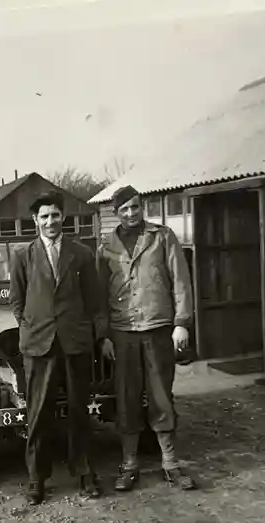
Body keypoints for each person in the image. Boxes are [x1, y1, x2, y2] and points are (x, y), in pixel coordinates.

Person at [98, 185, 197, 491]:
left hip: (158, 328)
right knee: (126, 398)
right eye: (124, 209)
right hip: (122, 332)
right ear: (116, 213)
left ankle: (170, 463)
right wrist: (104, 336)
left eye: (135, 207)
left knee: (160, 396)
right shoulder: (105, 246)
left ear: (142, 208)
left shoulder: (163, 237)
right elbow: (99, 297)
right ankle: (129, 465)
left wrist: (182, 322)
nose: (131, 214)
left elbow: (181, 281)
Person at [9, 191, 103, 504]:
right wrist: (34, 327)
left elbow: (93, 300)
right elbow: (17, 301)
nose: (51, 221)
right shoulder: (23, 255)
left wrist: (90, 333)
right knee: (38, 413)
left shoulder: (81, 253)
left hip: (75, 343)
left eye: (55, 215)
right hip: (39, 345)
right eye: (45, 216)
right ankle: (37, 477)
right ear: (35, 221)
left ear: (63, 217)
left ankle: (84, 470)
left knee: (79, 409)